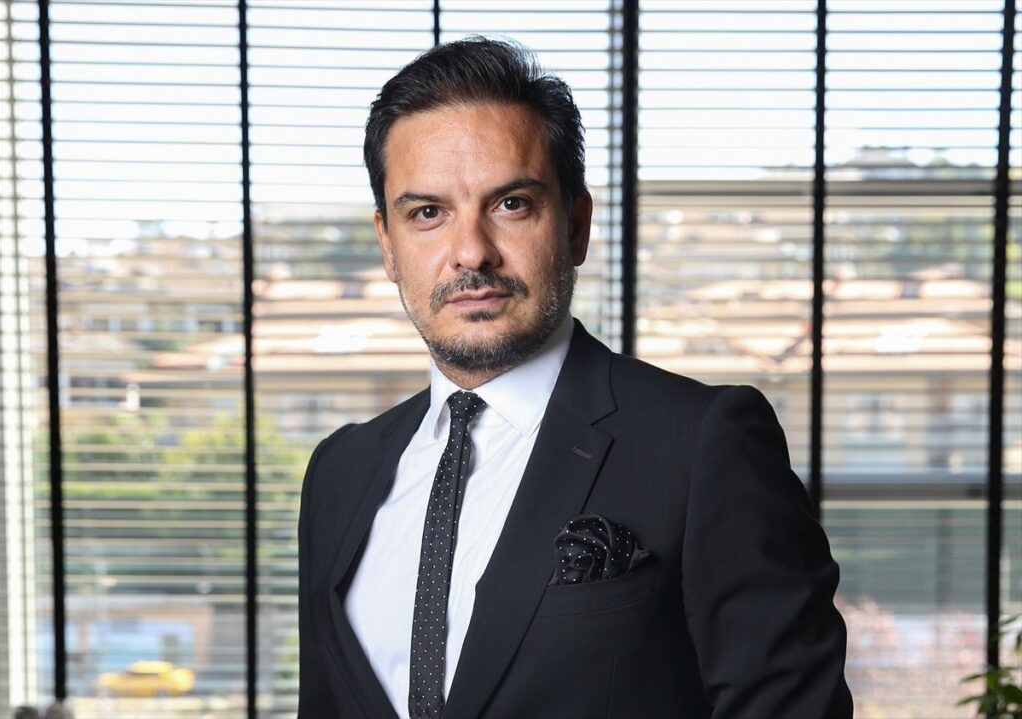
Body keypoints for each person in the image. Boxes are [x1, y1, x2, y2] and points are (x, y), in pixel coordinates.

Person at [298, 37, 853, 719]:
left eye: (511, 204)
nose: (471, 252)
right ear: (388, 243)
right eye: (427, 213)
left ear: (577, 225)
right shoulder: (339, 472)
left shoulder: (704, 443)